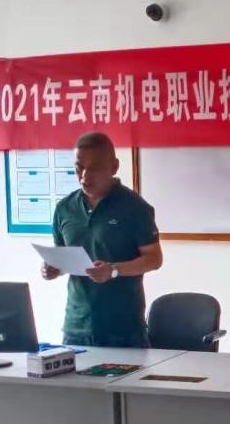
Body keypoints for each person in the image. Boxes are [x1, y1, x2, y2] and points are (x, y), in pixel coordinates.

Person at [41, 132, 163, 347]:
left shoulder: (134, 207)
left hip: (123, 330)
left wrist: (113, 270)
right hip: (76, 327)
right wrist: (53, 269)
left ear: (114, 167)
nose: (84, 176)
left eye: (94, 168)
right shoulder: (64, 208)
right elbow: (62, 257)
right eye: (79, 167)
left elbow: (154, 259)